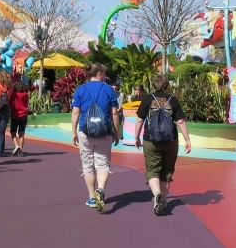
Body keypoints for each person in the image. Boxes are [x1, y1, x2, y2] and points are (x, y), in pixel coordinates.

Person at [133, 73, 191, 216]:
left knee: (152, 169)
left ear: (153, 85)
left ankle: (157, 194)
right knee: (167, 170)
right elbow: (181, 121)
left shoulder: (147, 99)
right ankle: (163, 200)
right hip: (171, 140)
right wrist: (187, 140)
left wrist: (136, 137)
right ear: (166, 86)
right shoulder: (173, 99)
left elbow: (140, 120)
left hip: (151, 140)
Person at [70, 63, 121, 213]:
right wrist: (116, 132)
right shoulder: (109, 90)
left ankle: (92, 197)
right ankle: (101, 190)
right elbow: (114, 113)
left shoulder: (80, 89)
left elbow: (75, 112)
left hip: (85, 131)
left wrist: (73, 131)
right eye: (104, 73)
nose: (105, 76)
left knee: (88, 165)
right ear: (99, 73)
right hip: (104, 132)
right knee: (103, 164)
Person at [9, 79, 30, 157]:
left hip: (15, 115)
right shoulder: (25, 94)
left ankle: (16, 145)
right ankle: (21, 150)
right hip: (24, 115)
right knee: (21, 133)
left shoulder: (14, 94)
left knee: (13, 131)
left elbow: (11, 105)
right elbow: (27, 104)